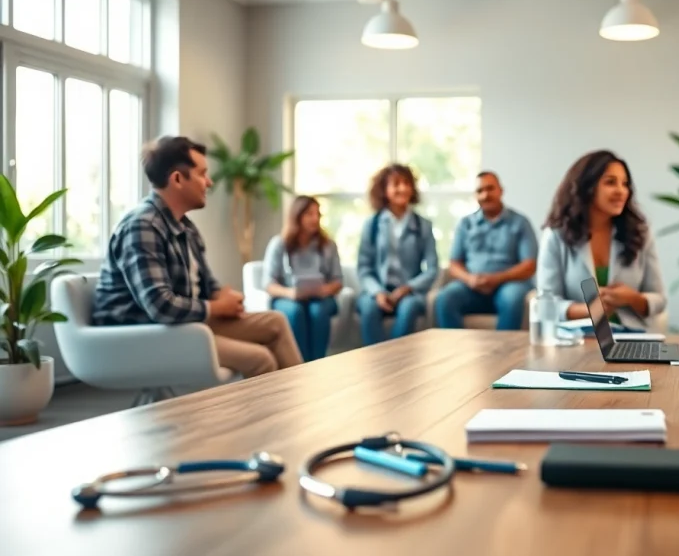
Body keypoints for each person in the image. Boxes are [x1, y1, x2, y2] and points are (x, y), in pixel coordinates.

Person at [92, 136, 303, 378]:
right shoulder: (142, 226)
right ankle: (269, 415)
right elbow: (160, 306)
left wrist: (223, 297)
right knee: (260, 358)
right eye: (202, 174)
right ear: (178, 179)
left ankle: (296, 408)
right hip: (143, 334)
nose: (210, 182)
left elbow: (208, 285)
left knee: (275, 322)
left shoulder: (186, 227)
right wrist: (215, 306)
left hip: (183, 326)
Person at [536, 150, 667, 330]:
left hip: (631, 336)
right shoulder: (556, 235)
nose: (621, 191)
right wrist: (588, 310)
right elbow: (545, 305)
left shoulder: (640, 233)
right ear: (586, 187)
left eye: (625, 184)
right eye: (610, 182)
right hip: (577, 337)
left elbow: (660, 299)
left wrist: (632, 298)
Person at [434, 172, 537, 331]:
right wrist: (470, 279)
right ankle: (456, 351)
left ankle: (503, 354)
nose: (485, 195)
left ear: (501, 191)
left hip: (508, 285)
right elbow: (454, 264)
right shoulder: (465, 224)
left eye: (490, 189)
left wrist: (497, 278)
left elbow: (529, 265)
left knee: (512, 298)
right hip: (471, 287)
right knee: (444, 298)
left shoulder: (520, 223)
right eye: (480, 191)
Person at [355, 163, 438, 346]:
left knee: (409, 309)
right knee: (369, 309)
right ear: (384, 190)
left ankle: (395, 362)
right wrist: (377, 292)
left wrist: (408, 287)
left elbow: (432, 269)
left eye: (407, 183)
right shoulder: (372, 224)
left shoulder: (423, 225)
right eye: (396, 184)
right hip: (377, 290)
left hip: (409, 293)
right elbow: (364, 268)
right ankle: (376, 363)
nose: (403, 188)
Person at [262, 195, 344, 362]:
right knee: (295, 311)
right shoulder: (279, 244)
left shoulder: (328, 245)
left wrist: (324, 290)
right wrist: (290, 293)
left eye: (317, 214)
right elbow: (268, 284)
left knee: (317, 311)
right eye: (309, 214)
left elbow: (338, 280)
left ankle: (318, 362)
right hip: (289, 298)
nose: (315, 218)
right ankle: (298, 364)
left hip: (321, 299)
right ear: (297, 216)